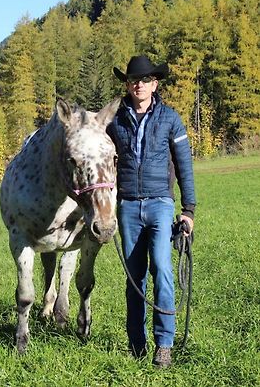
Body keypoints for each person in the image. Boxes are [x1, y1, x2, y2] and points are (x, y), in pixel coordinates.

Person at [106, 55, 196, 369]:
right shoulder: (114, 123)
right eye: (133, 80)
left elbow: (185, 167)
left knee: (163, 270)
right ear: (128, 85)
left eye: (145, 79)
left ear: (155, 83)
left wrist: (189, 211)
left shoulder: (170, 118)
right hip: (128, 206)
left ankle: (164, 345)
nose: (139, 84)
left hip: (160, 203)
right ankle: (136, 343)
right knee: (134, 279)